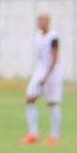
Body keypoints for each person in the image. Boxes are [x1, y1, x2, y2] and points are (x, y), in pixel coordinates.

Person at [23, 13, 64, 145]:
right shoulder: (38, 36)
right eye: (38, 20)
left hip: (51, 73)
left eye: (42, 20)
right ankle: (33, 134)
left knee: (52, 103)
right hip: (39, 71)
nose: (40, 22)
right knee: (30, 99)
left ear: (48, 21)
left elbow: (55, 57)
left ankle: (55, 136)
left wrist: (47, 76)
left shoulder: (53, 37)